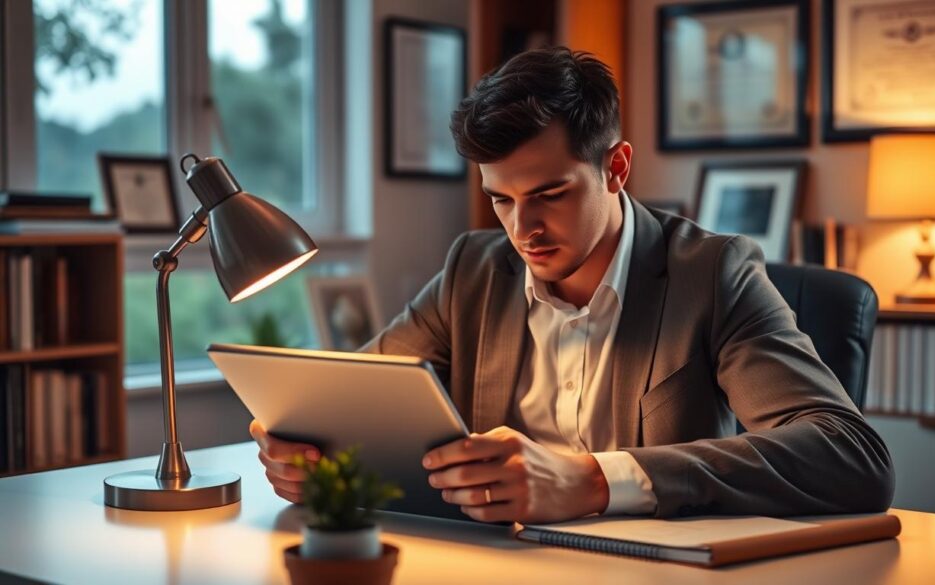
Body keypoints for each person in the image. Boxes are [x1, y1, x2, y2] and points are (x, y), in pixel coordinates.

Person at [251, 47, 894, 524]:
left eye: (550, 194)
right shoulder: (473, 270)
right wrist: (311, 448)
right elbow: (360, 394)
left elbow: (852, 458)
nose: (522, 229)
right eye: (500, 200)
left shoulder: (712, 274)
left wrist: (594, 481)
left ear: (615, 168)